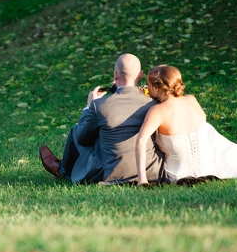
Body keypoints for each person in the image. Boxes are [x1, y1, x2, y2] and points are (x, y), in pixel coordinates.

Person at [40, 53, 166, 184]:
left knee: (76, 130)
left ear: (115, 75)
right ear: (140, 75)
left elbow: (82, 138)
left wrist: (89, 107)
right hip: (150, 170)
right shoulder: (154, 104)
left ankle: (63, 170)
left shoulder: (99, 105)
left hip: (111, 172)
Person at [135, 65, 237, 185]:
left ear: (156, 88)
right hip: (208, 168)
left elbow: (141, 141)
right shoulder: (191, 100)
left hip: (177, 174)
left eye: (149, 85)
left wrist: (143, 180)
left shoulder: (157, 111)